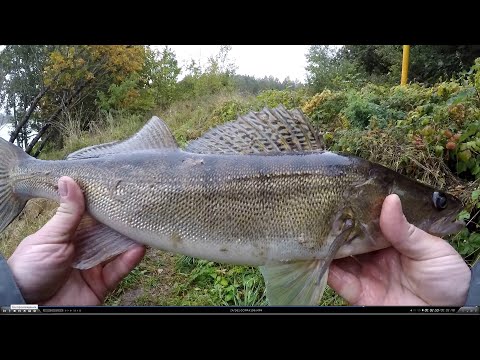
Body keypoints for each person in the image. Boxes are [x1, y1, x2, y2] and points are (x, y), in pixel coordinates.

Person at [0, 177, 478, 306]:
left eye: (434, 202)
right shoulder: (353, 193)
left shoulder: (355, 201)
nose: (442, 210)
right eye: (438, 203)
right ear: (380, 198)